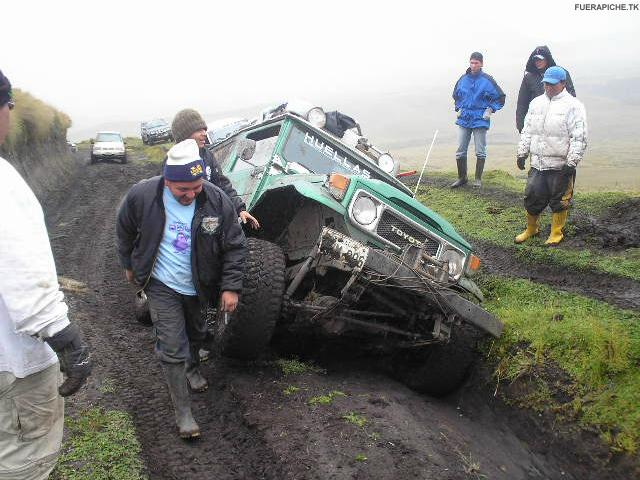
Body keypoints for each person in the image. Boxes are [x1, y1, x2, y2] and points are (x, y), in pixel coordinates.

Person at [116, 139, 247, 438]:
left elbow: (235, 245)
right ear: (167, 181)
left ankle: (192, 368)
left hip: (199, 286)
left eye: (196, 187)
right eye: (182, 190)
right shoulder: (143, 195)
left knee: (197, 333)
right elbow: (123, 227)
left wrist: (231, 287)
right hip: (161, 285)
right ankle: (184, 412)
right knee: (172, 345)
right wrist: (128, 263)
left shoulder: (215, 200)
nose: (190, 195)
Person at [0, 69, 91, 479]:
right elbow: (21, 268)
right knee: (25, 458)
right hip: (12, 364)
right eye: (8, 105)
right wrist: (66, 337)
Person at [515, 66, 588, 246]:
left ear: (563, 83)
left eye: (553, 84)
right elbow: (527, 130)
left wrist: (571, 163)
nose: (548, 87)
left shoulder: (574, 106)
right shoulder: (536, 103)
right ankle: (532, 229)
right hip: (538, 162)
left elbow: (579, 136)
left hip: (561, 165)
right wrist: (522, 153)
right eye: (546, 83)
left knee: (559, 199)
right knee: (532, 196)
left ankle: (556, 233)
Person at [171, 108, 260, 229]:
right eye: (198, 130)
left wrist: (240, 209)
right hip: (187, 226)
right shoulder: (174, 163)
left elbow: (222, 184)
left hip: (210, 219)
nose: (204, 134)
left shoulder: (206, 154)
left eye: (204, 129)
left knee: (233, 237)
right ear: (184, 135)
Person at [451, 52, 506, 188]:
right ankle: (462, 178)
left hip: (480, 118)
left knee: (480, 150)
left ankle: (477, 179)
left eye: (476, 63)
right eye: (471, 62)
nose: (473, 65)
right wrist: (459, 108)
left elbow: (500, 97)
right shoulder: (463, 79)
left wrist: (490, 109)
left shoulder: (488, 80)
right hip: (464, 118)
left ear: (481, 64)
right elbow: (455, 95)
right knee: (460, 149)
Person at [516, 46, 576, 133]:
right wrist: (521, 126)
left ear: (547, 59)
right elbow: (522, 102)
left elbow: (571, 96)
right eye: (535, 60)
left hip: (558, 120)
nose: (537, 62)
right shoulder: (529, 77)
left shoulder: (561, 73)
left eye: (540, 59)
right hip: (536, 121)